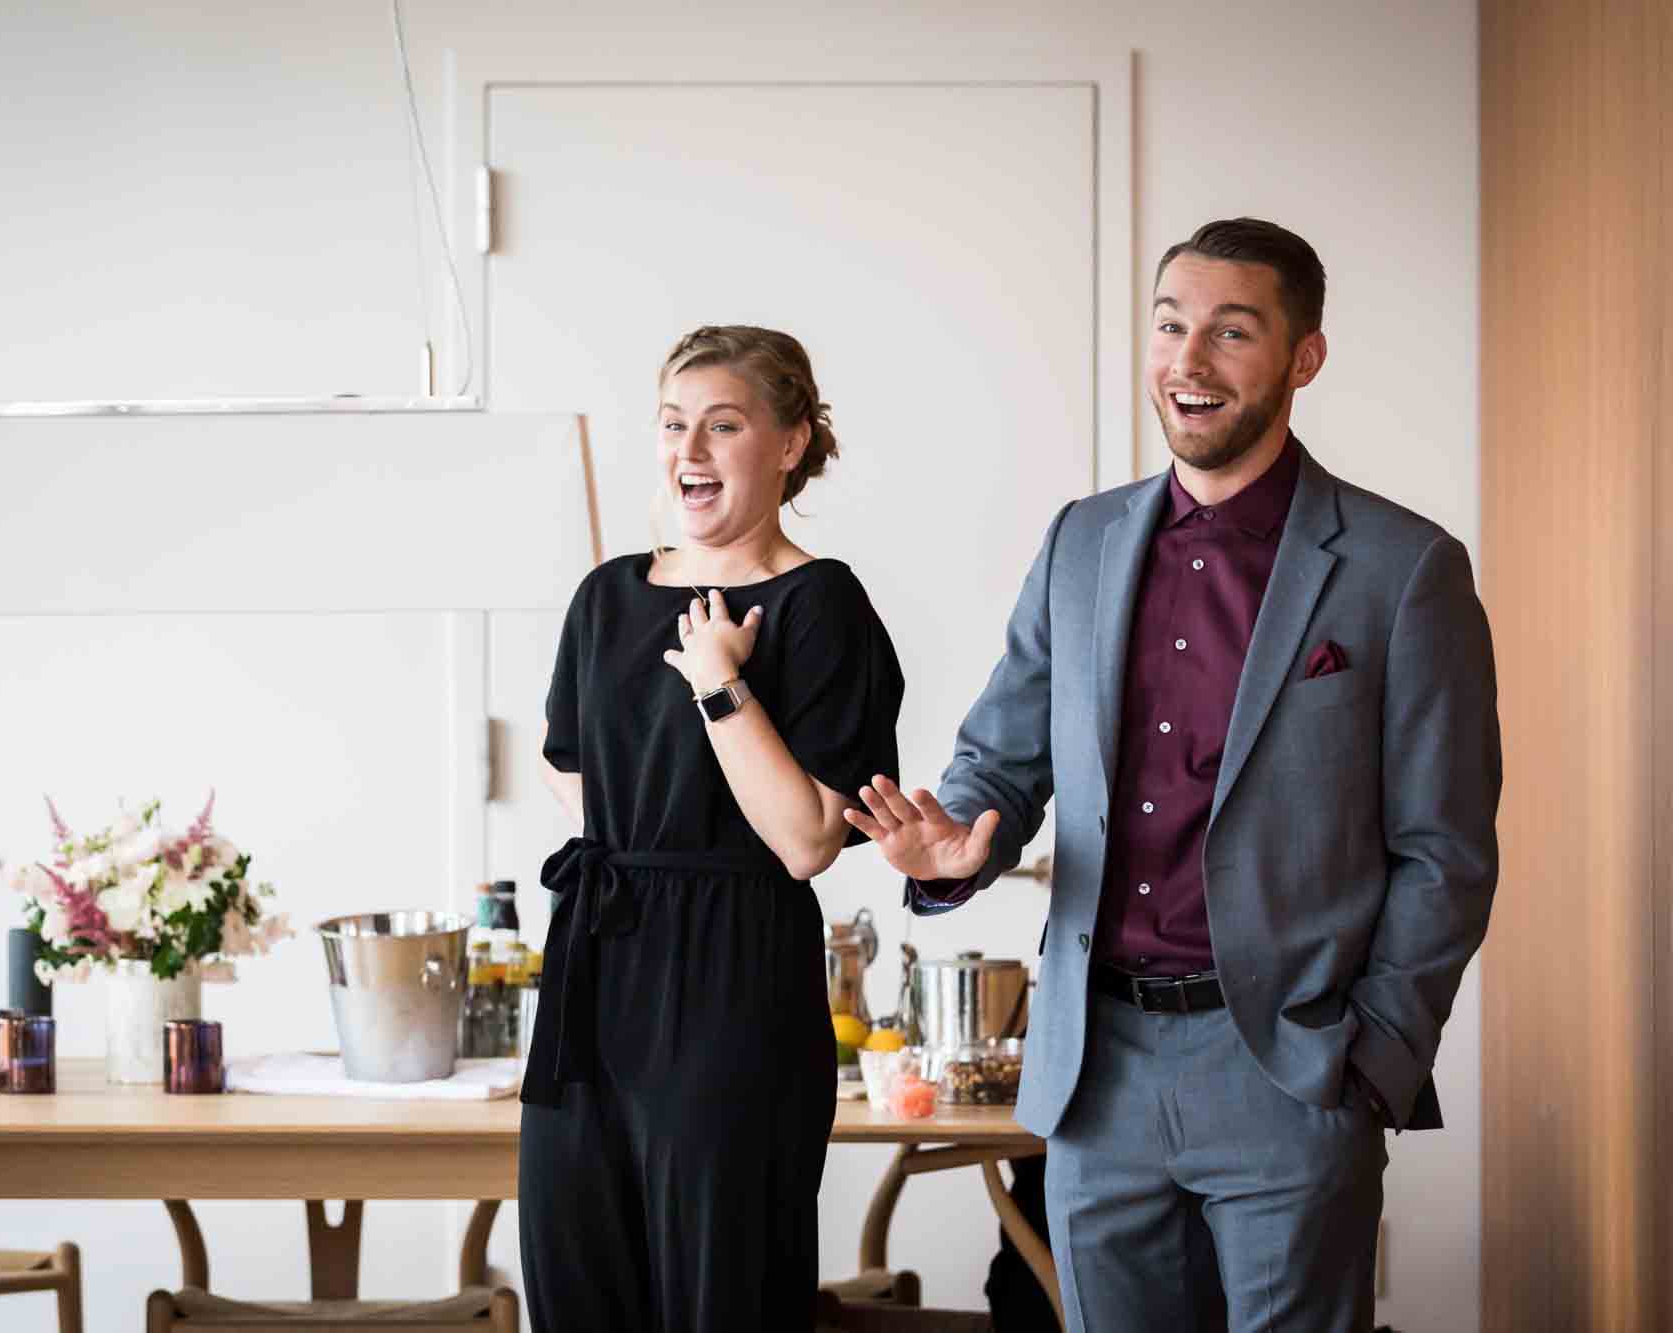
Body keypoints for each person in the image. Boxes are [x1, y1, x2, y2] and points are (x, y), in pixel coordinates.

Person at [846, 219, 1501, 1333]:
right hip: (1097, 1073)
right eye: (1168, 324)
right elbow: (998, 756)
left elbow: (1443, 850)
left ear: (1302, 358)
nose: (1186, 361)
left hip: (1289, 1066)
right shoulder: (1081, 541)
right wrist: (958, 844)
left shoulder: (1403, 569)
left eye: (1229, 331)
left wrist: (1368, 1062)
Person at [519, 324, 904, 1330]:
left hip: (731, 982)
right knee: (574, 1276)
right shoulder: (605, 597)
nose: (688, 450)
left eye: (722, 425)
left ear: (787, 444)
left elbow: (806, 839)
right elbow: (569, 767)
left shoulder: (820, 605)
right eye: (672, 423)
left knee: (715, 1289)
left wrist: (719, 684)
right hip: (597, 970)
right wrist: (647, 846)